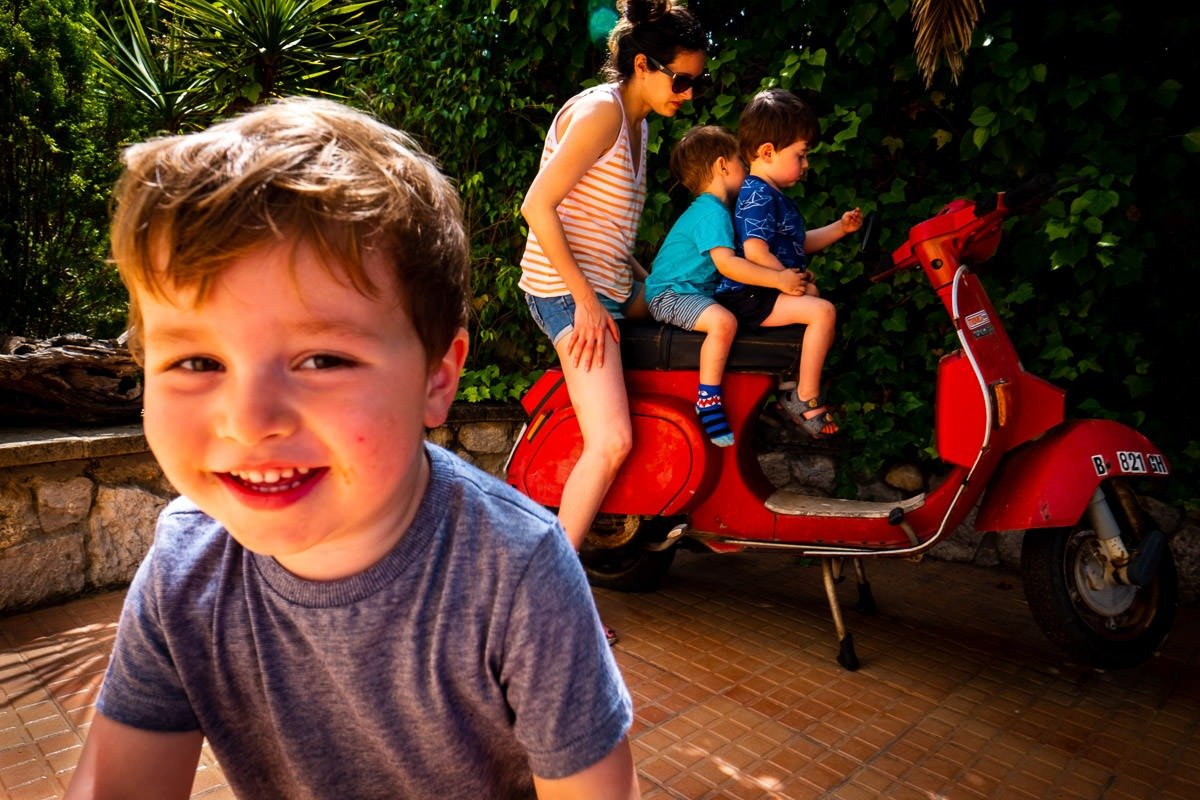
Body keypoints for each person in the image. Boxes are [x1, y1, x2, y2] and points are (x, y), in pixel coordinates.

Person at [64, 97, 638, 800]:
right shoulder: (186, 568)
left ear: (438, 378)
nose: (248, 421)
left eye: (323, 360)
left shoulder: (518, 573)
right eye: (195, 362)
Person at [519, 0, 706, 644]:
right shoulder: (602, 113)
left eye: (696, 82)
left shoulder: (638, 123)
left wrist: (645, 282)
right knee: (611, 442)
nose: (688, 92)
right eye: (679, 79)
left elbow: (602, 224)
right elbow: (536, 207)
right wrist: (589, 303)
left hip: (606, 286)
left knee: (699, 314)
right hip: (565, 293)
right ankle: (553, 602)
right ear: (643, 65)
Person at [645, 125, 807, 447]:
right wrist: (777, 279)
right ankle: (707, 399)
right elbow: (728, 264)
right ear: (722, 165)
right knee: (724, 322)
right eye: (740, 163)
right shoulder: (711, 212)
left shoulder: (717, 211)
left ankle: (784, 386)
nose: (746, 172)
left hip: (689, 291)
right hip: (672, 293)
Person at [715, 88, 863, 439]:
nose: (806, 164)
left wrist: (839, 229)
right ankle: (804, 394)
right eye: (801, 155)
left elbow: (800, 243)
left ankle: (792, 381)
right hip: (748, 294)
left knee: (813, 295)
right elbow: (753, 251)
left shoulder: (772, 195)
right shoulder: (757, 194)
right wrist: (783, 277)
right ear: (768, 151)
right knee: (821, 311)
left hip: (763, 290)